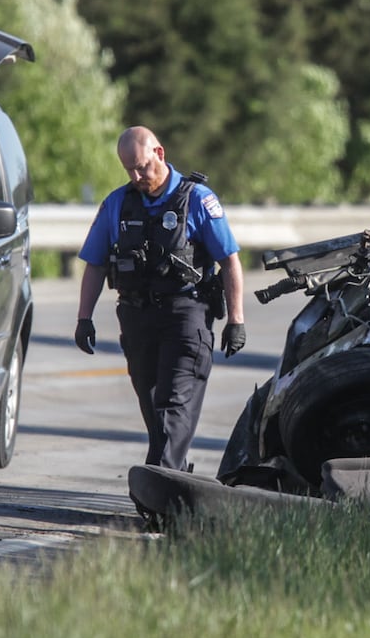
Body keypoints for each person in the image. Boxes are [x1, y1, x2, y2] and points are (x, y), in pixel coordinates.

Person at [73, 126, 246, 471]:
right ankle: (173, 484)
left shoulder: (197, 199)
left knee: (172, 405)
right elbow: (94, 263)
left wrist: (236, 320)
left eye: (141, 167)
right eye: (129, 170)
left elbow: (229, 260)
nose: (136, 176)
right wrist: (84, 318)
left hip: (186, 315)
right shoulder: (118, 203)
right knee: (155, 412)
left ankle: (155, 487)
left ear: (160, 154)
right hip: (137, 318)